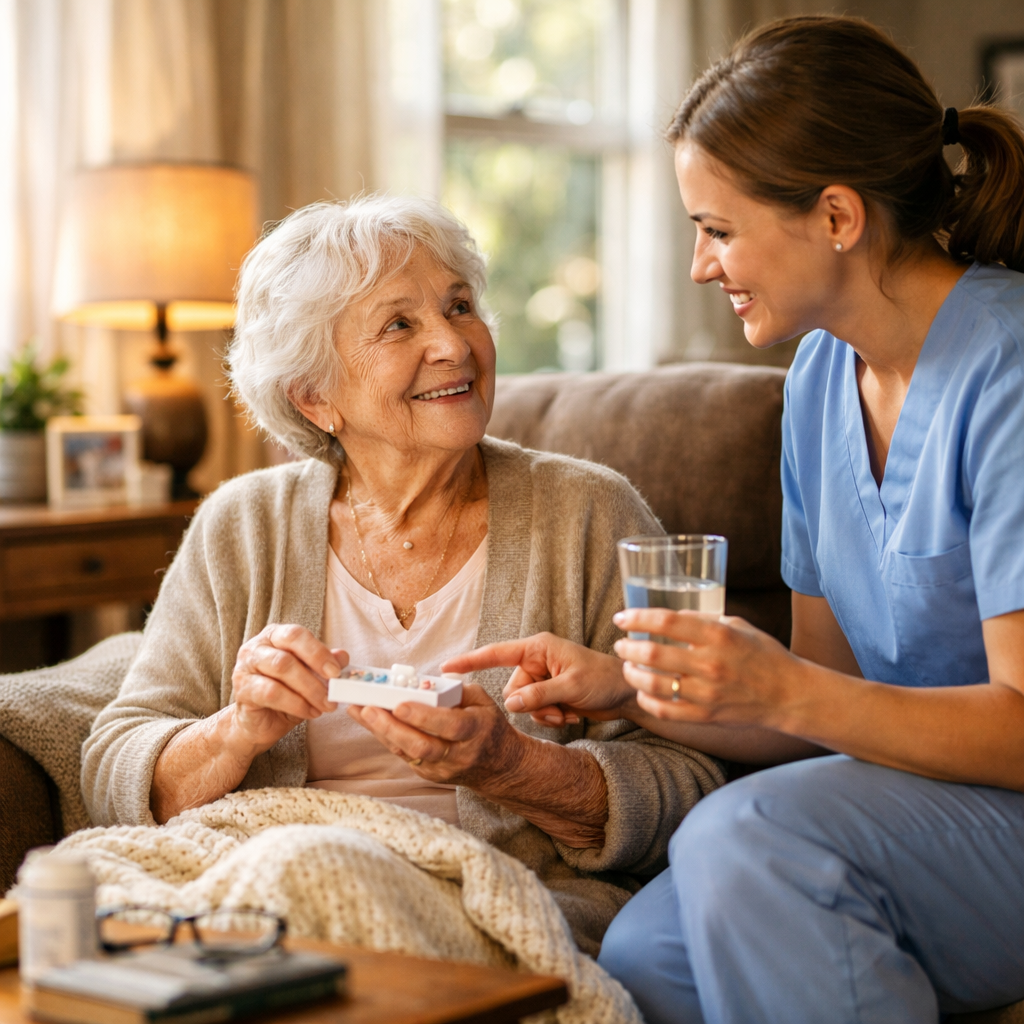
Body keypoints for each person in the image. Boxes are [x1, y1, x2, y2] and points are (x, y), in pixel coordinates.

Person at [446, 15, 1024, 1022]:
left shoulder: (1009, 370)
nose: (699, 268)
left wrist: (788, 691)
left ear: (836, 216)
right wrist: (642, 684)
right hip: (905, 805)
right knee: (646, 951)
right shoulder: (813, 384)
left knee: (738, 839)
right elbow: (827, 695)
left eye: (718, 229)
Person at [82, 195, 723, 954]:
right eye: (400, 325)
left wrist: (513, 766)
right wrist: (238, 731)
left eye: (460, 306)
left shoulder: (587, 511)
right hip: (253, 876)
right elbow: (113, 766)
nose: (453, 344)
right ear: (316, 396)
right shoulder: (243, 522)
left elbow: (694, 780)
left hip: (489, 893)